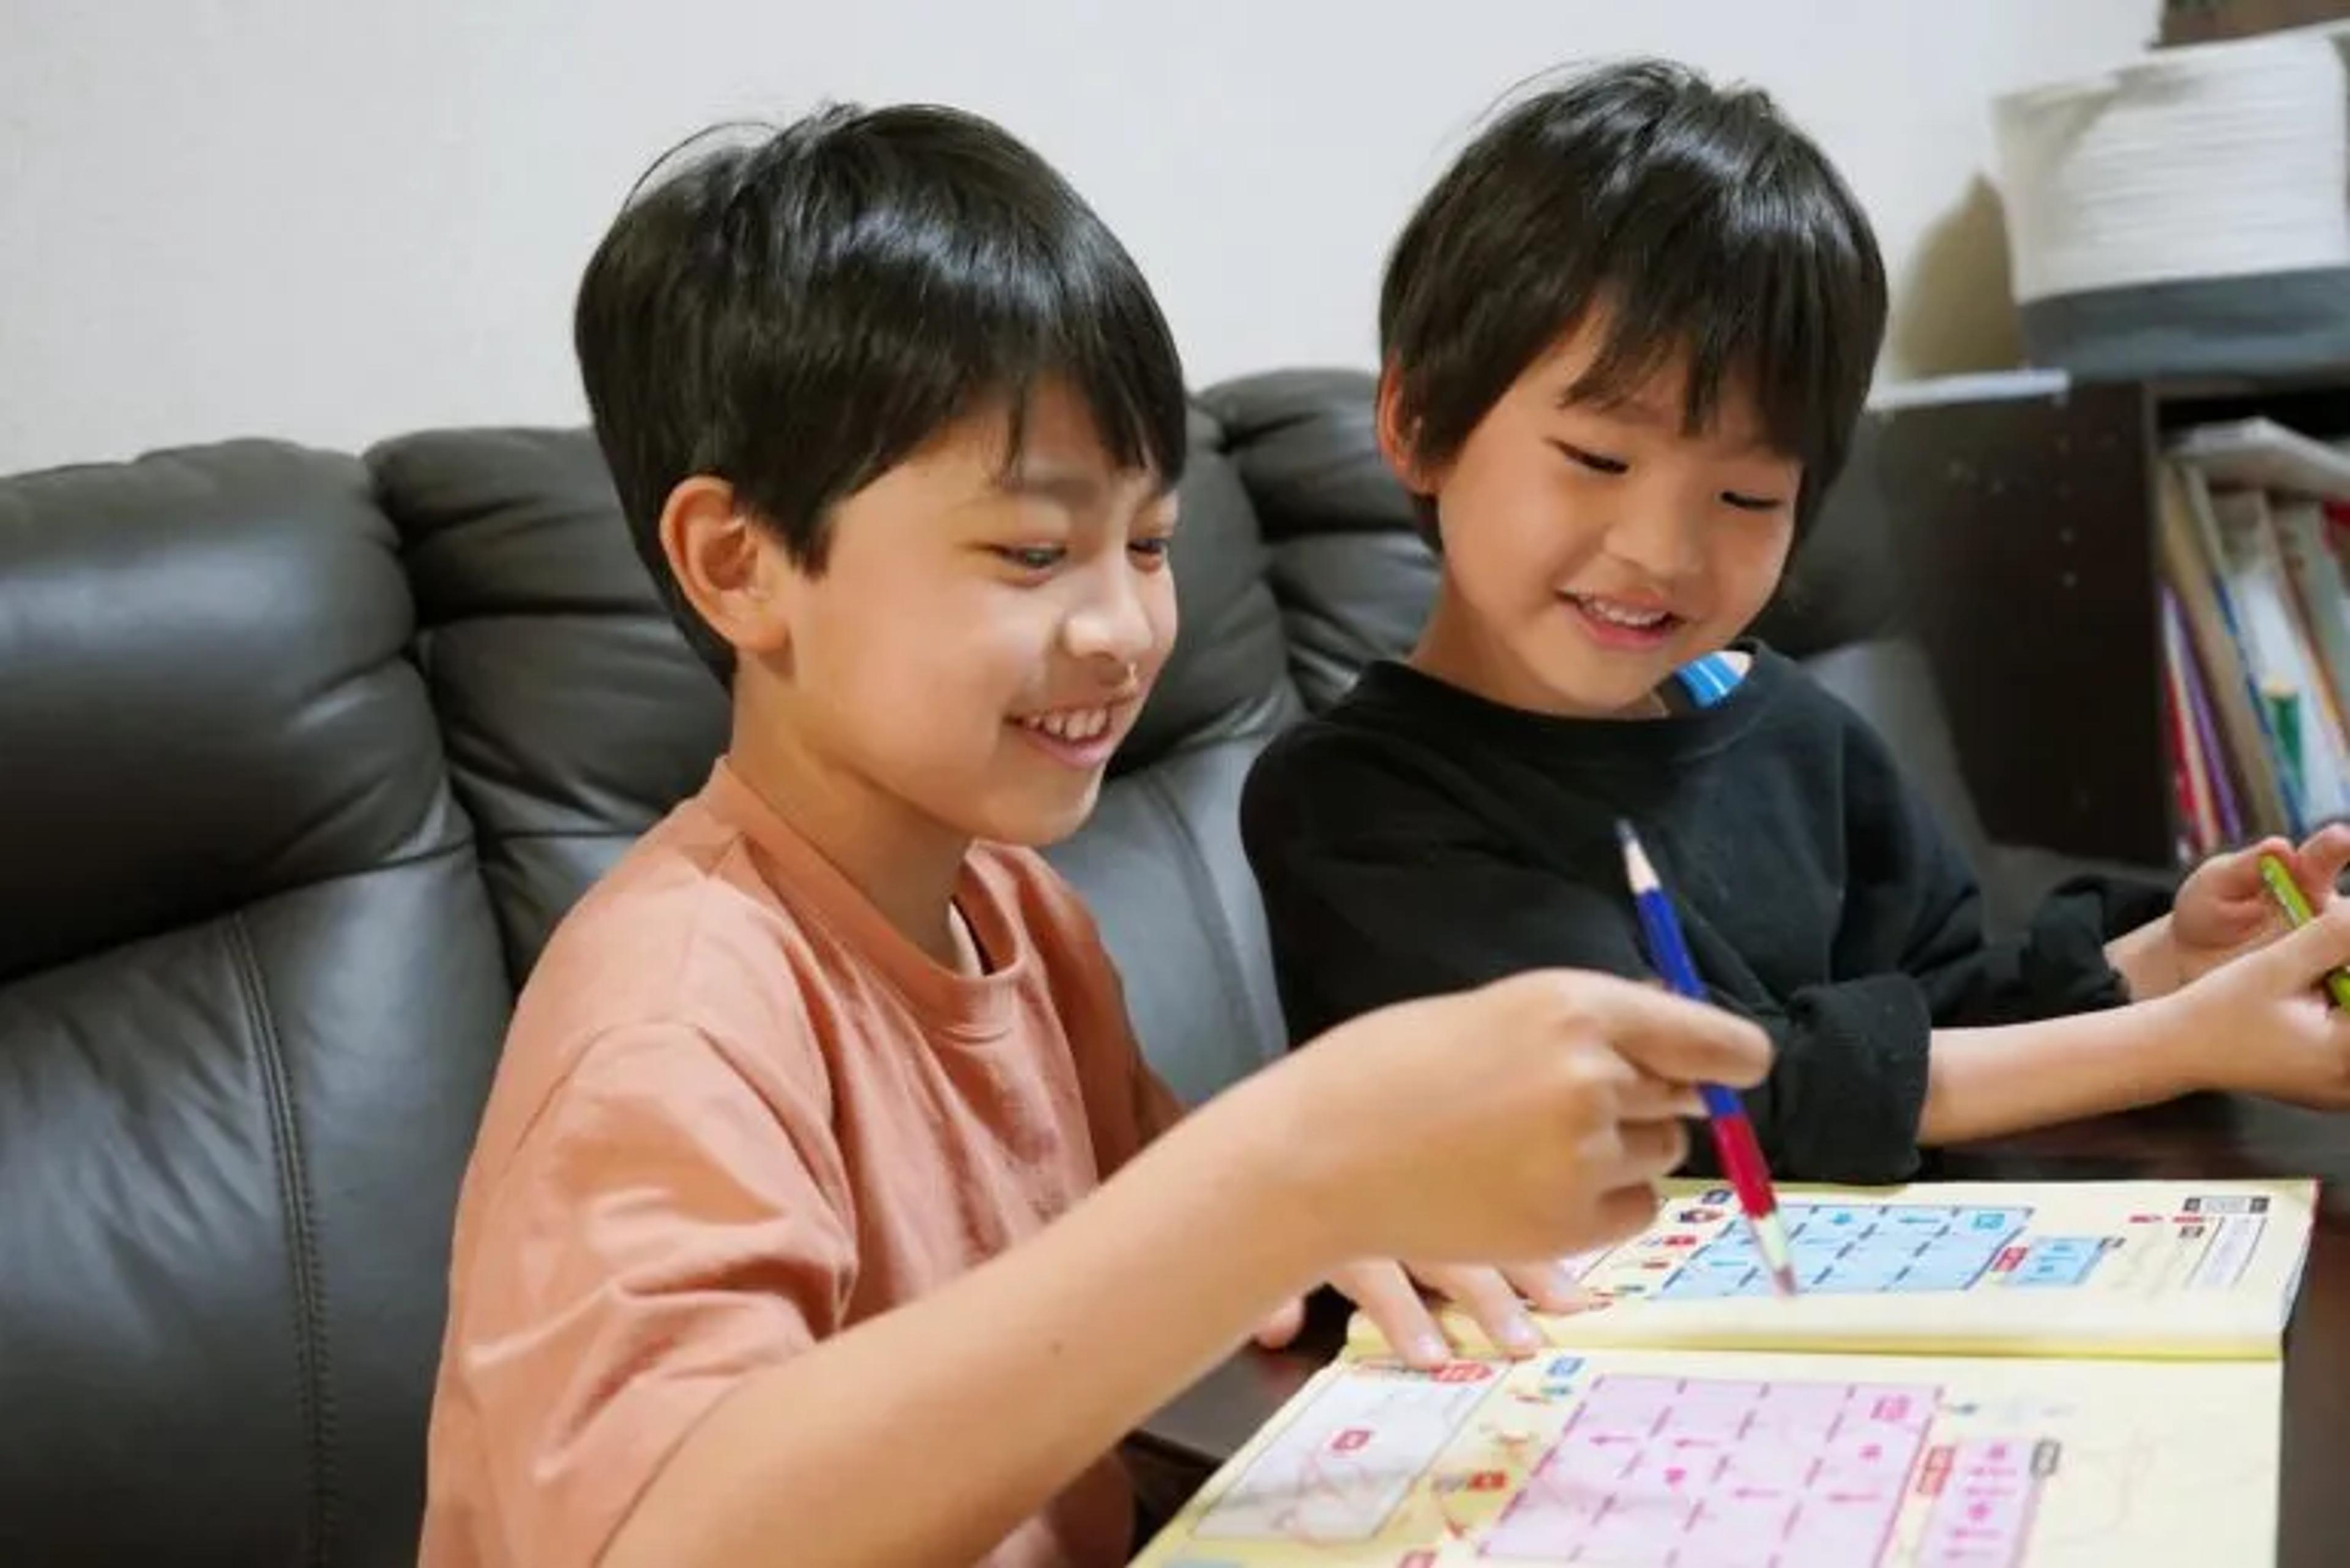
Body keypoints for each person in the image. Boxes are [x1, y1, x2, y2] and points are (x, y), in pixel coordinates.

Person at [416, 101, 1772, 1568]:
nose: (1125, 628)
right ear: (740, 566)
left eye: (1149, 543)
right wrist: (1294, 1165)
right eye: (1033, 552)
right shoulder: (678, 1010)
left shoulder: (1016, 913)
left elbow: (1170, 1258)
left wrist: (1357, 1210)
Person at [1242, 58, 2350, 1359]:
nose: (1662, 551)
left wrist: (2163, 961)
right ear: (1420, 423)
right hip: (1584, 1370)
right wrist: (2174, 1043)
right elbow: (1696, 1108)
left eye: (1746, 497)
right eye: (1598, 458)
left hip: (1869, 1326)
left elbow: (1936, 997)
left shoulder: (1784, 723)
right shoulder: (1353, 801)